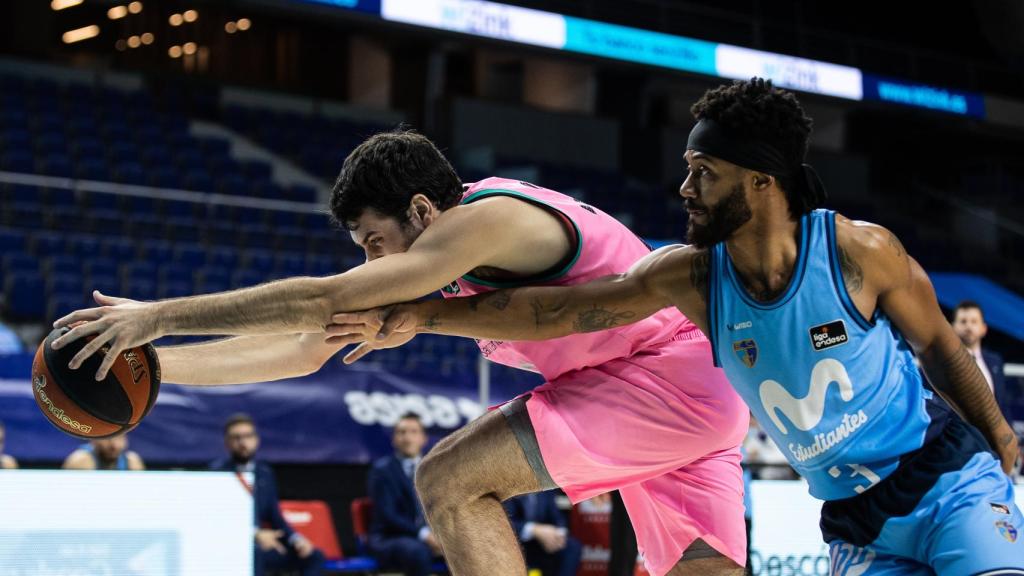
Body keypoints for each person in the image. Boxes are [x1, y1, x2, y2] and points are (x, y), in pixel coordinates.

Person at [332, 79, 1024, 574]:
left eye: (704, 173)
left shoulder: (857, 251)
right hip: (854, 514)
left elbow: (938, 342)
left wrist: (998, 434)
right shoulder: (686, 275)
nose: (685, 190)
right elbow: (555, 311)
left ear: (760, 182)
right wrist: (429, 313)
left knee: (450, 477)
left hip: (939, 474)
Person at [51, 129, 749, 575]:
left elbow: (322, 300)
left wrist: (157, 318)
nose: (368, 262)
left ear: (420, 211)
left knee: (448, 479)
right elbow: (302, 347)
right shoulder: (445, 259)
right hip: (692, 392)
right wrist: (158, 369)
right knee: (701, 570)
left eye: (372, 242)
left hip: (659, 381)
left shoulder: (491, 219)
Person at [210, 413, 324, 576]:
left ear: (257, 440)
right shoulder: (217, 473)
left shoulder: (265, 473)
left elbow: (275, 516)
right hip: (231, 547)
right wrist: (254, 535)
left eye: (248, 436)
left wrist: (296, 539)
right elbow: (216, 520)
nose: (243, 443)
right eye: (236, 437)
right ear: (227, 443)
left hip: (264, 546)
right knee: (254, 554)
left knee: (314, 556)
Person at [367, 413, 443, 576]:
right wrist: (425, 535)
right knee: (418, 552)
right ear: (393, 439)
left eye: (414, 432)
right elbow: (388, 515)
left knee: (464, 549)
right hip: (391, 538)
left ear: (423, 438)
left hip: (429, 538)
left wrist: (441, 536)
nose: (407, 438)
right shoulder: (382, 471)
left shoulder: (434, 470)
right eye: (402, 432)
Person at [951, 300, 1012, 421]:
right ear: (952, 327)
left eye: (974, 321)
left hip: (991, 437)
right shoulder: (942, 361)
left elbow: (1002, 405)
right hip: (959, 435)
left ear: (984, 328)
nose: (968, 327)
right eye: (963, 321)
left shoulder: (995, 361)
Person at [505, 490, 582, 576]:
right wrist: (535, 530)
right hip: (518, 542)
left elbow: (558, 518)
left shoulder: (545, 491)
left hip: (543, 544)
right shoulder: (509, 492)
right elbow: (506, 523)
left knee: (572, 546)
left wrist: (557, 534)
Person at [62, 433, 144, 470]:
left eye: (120, 438)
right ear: (93, 439)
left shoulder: (132, 462)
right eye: (108, 438)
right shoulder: (81, 461)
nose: (114, 445)